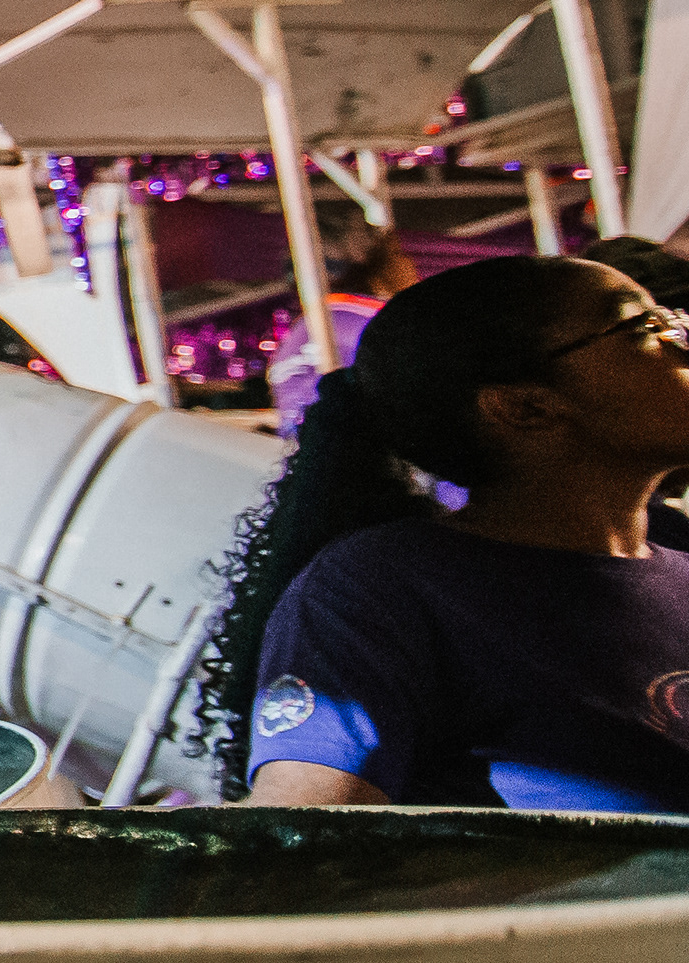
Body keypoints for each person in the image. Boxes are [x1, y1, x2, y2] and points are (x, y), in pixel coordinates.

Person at [193, 255, 689, 810]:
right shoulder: (381, 588)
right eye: (647, 328)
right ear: (523, 406)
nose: (682, 343)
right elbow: (306, 830)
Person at [266, 219, 417, 434]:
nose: (407, 264)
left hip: (312, 441)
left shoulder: (314, 324)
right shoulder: (357, 318)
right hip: (349, 440)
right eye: (397, 255)